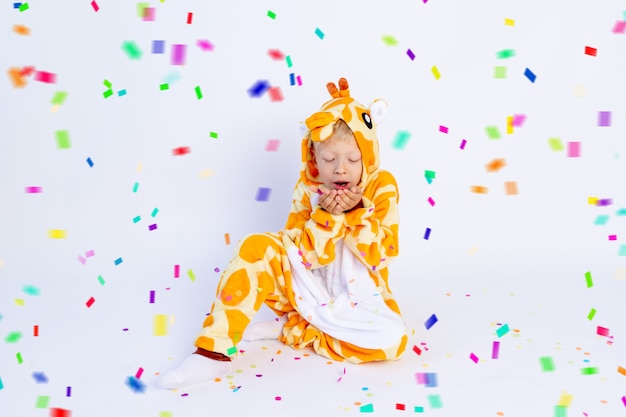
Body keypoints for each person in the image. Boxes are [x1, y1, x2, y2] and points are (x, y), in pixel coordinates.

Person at [157, 77, 407, 390]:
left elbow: (383, 254)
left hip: (357, 299)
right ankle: (212, 352)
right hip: (305, 288)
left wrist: (356, 214)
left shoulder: (382, 185)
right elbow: (301, 254)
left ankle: (294, 329)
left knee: (394, 343)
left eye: (353, 159)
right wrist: (327, 217)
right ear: (314, 157)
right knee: (256, 245)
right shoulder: (308, 187)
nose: (341, 169)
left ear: (368, 155)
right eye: (329, 159)